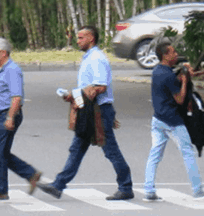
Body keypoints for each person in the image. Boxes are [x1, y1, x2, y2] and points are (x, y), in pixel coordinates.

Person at [37, 25, 134, 201]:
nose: (78, 40)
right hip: (90, 110)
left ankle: (126, 187)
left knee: (110, 150)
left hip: (98, 111)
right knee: (77, 149)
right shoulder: (89, 57)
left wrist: (75, 95)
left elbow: (100, 87)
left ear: (91, 38)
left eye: (81, 37)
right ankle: (58, 185)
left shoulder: (96, 58)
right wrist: (75, 97)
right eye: (78, 37)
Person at [142, 41, 204, 201]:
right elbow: (180, 99)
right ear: (165, 55)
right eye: (173, 52)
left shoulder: (158, 71)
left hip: (157, 118)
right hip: (172, 120)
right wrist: (183, 81)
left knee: (155, 154)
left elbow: (174, 79)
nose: (176, 54)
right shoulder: (168, 75)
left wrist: (185, 73)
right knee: (187, 152)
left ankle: (149, 190)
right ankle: (197, 189)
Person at [0, 37, 41, 200]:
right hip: (1, 114)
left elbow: (16, 97)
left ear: (3, 53)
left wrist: (9, 117)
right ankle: (31, 174)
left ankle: (1, 190)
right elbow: (0, 95)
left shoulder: (11, 70)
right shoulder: (2, 69)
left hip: (9, 114)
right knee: (2, 153)